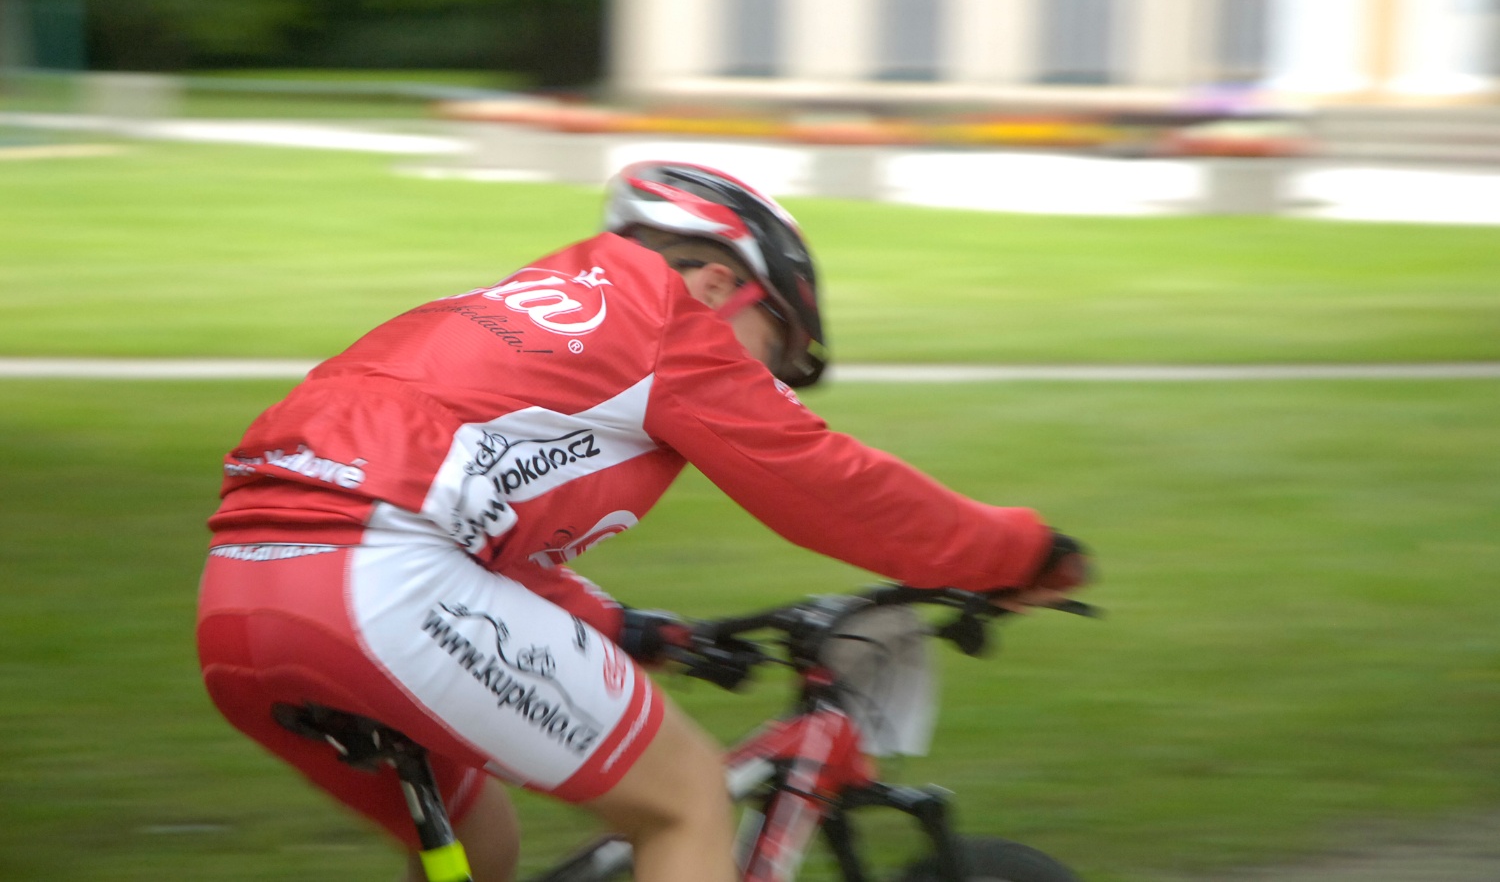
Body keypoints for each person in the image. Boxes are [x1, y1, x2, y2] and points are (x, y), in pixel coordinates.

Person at [195, 160, 1090, 882]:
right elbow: (830, 488)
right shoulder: (667, 315)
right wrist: (1019, 553)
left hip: (242, 596)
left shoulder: (522, 313)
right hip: (382, 579)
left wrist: (632, 628)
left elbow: (465, 521)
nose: (765, 385)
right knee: (687, 800)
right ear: (720, 283)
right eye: (772, 352)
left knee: (481, 846)